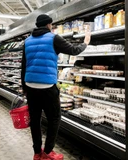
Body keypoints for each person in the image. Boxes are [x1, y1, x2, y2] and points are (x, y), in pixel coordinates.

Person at [21, 14, 91, 160]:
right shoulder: (53, 38)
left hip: (31, 86)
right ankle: (47, 152)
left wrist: (24, 89)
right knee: (54, 118)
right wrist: (86, 42)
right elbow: (74, 50)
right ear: (49, 25)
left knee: (35, 120)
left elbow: (23, 66)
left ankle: (37, 152)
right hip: (47, 87)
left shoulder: (27, 41)